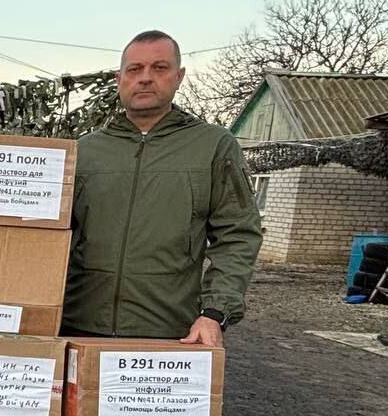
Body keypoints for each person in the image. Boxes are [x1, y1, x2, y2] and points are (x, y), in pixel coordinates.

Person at [62, 30, 263, 344]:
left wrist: (214, 312)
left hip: (170, 332)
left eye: (159, 68)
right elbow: (46, 234)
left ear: (179, 76)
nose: (145, 78)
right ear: (119, 78)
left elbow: (238, 234)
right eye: (134, 69)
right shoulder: (84, 151)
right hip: (77, 325)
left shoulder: (212, 146)